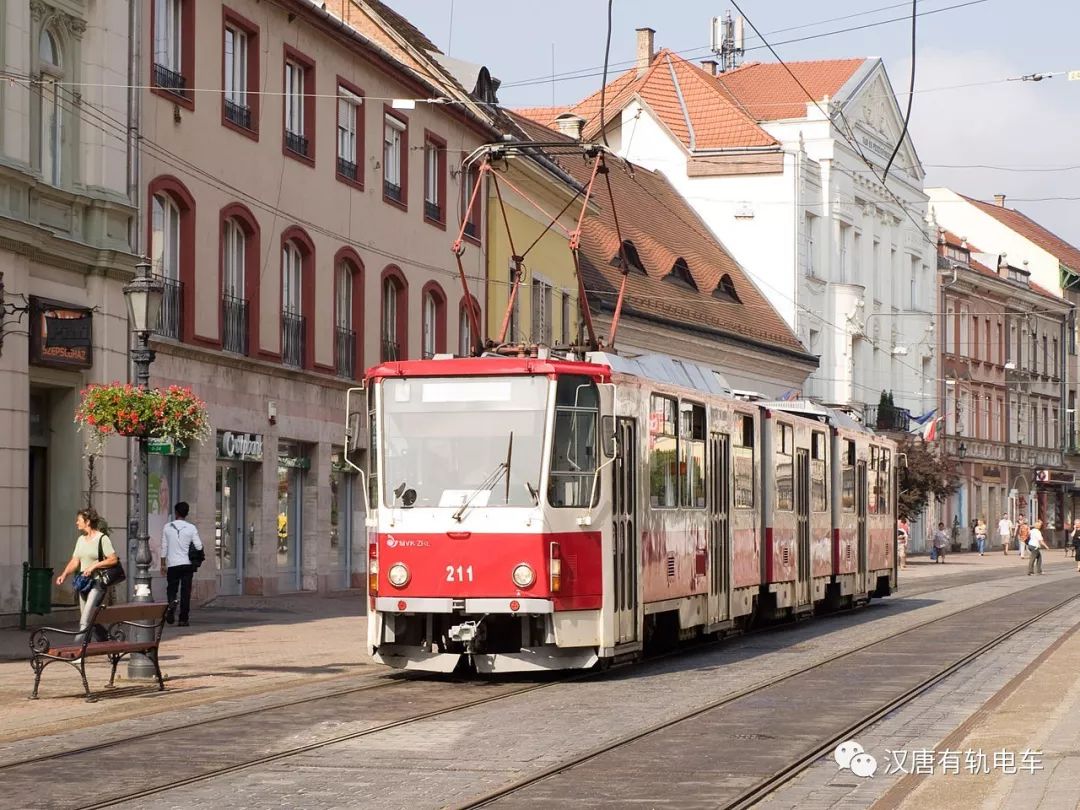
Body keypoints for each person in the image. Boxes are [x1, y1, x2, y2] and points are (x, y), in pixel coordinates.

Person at [54, 508, 118, 643]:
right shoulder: (81, 540)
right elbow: (75, 561)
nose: (76, 523)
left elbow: (113, 559)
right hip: (84, 583)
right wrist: (64, 574)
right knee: (87, 618)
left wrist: (94, 566)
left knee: (84, 620)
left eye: (79, 520)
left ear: (87, 521)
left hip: (97, 583)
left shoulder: (102, 538)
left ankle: (77, 649)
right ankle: (107, 641)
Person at [160, 501, 203, 626]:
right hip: (187, 564)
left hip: (173, 564)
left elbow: (164, 546)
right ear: (187, 513)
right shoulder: (191, 528)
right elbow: (199, 546)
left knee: (172, 588)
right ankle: (183, 618)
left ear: (176, 512)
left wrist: (163, 564)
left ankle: (171, 606)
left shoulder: (167, 527)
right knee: (186, 591)